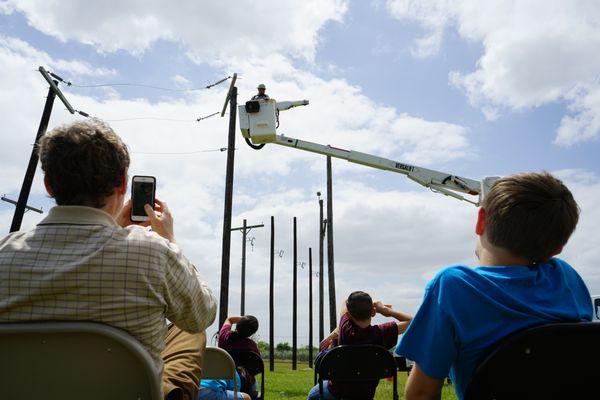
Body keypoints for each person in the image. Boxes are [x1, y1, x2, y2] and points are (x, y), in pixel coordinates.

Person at [0, 119, 217, 400]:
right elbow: (203, 313)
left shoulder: (4, 251)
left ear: (49, 185)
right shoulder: (154, 251)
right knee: (188, 330)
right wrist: (169, 242)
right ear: (123, 182)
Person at [395, 172, 593, 400]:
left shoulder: (454, 286)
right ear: (558, 247)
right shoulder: (567, 278)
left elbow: (421, 395)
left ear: (481, 221)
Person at [307, 291, 413, 400]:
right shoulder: (383, 333)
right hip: (365, 395)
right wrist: (386, 310)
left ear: (348, 314)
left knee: (313, 394)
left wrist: (368, 305)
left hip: (337, 393)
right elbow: (413, 321)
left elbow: (344, 302)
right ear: (373, 312)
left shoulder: (345, 328)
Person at [217, 315, 260, 399]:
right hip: (245, 384)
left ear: (238, 325)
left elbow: (229, 319)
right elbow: (257, 368)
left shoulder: (224, 337)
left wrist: (244, 320)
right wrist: (248, 323)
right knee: (255, 383)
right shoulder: (252, 346)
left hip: (222, 381)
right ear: (252, 332)